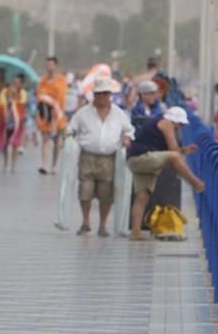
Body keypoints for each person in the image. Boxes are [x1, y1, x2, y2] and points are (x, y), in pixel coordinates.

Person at [66, 78, 135, 236]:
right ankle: (85, 222)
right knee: (85, 189)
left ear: (110, 95)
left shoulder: (118, 113)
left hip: (109, 158)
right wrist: (69, 134)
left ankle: (103, 225)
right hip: (88, 156)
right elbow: (71, 127)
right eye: (100, 94)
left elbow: (129, 129)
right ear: (95, 95)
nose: (103, 97)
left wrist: (127, 137)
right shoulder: (83, 112)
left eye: (106, 94)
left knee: (106, 192)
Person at [126, 106, 205, 241]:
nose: (179, 128)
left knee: (142, 196)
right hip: (143, 157)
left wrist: (185, 151)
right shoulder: (166, 123)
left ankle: (135, 232)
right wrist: (180, 154)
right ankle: (195, 183)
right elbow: (173, 150)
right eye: (180, 124)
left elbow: (171, 150)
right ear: (175, 121)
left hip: (136, 158)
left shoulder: (159, 122)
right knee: (174, 158)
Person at [36, 56, 68, 175]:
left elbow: (62, 97)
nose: (48, 67)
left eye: (50, 64)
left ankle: (54, 165)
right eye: (47, 64)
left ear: (55, 65)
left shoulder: (61, 80)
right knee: (45, 138)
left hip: (58, 114)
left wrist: (56, 113)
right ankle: (44, 164)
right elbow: (39, 95)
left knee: (57, 141)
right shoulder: (43, 81)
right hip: (45, 113)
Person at [0, 73, 28, 173]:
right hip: (7, 122)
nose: (15, 85)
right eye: (13, 83)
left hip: (17, 123)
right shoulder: (5, 93)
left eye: (17, 83)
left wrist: (16, 99)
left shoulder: (22, 94)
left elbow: (23, 106)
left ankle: (13, 165)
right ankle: (6, 163)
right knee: (5, 144)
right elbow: (1, 105)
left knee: (15, 144)